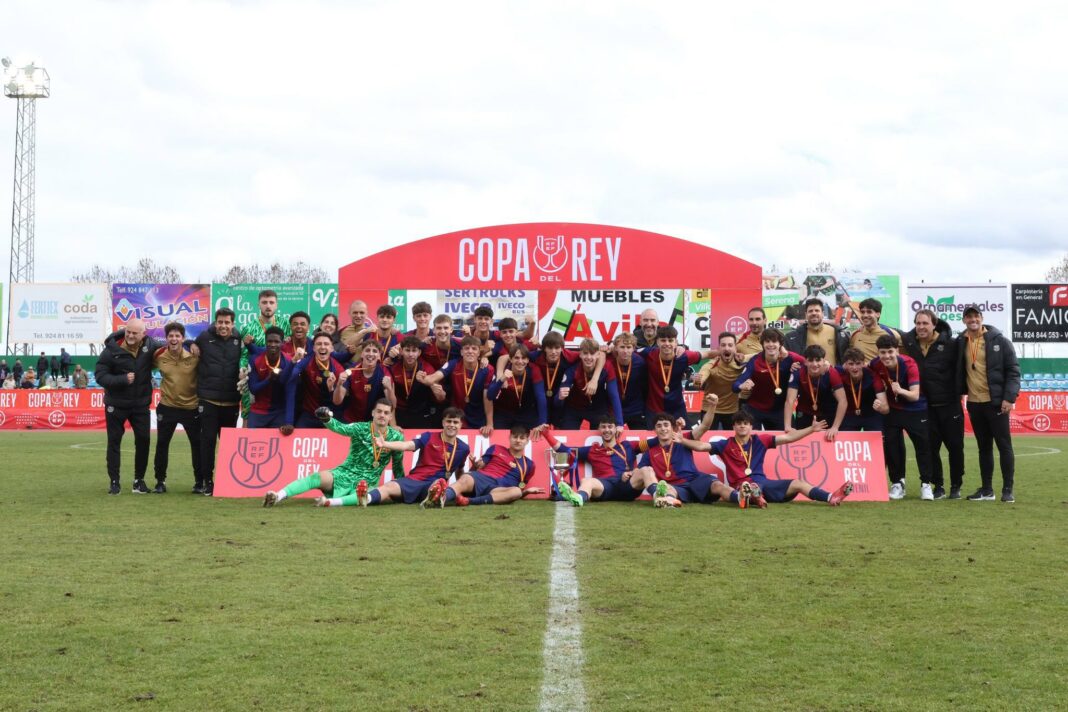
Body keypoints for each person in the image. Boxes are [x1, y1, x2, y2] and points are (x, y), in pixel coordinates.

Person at [679, 411, 854, 507]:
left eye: (745, 423)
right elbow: (701, 447)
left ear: (751, 426)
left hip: (763, 483)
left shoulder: (760, 440)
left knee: (798, 483)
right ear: (733, 427)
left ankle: (831, 497)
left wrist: (811, 429)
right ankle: (754, 497)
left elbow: (788, 438)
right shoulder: (725, 444)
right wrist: (682, 440)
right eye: (739, 423)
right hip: (742, 485)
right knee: (750, 487)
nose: (742, 426)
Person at [263, 400, 405, 508]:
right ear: (373, 413)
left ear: (390, 416)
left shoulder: (397, 437)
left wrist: (402, 488)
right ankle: (278, 496)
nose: (382, 415)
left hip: (368, 481)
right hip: (344, 473)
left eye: (386, 413)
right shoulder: (360, 428)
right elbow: (340, 428)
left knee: (366, 494)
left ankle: (330, 502)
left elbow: (397, 466)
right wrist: (327, 419)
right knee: (317, 477)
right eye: (379, 411)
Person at [95, 318, 164, 495]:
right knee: (114, 442)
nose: (131, 336)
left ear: (143, 334)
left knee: (144, 441)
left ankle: (138, 481)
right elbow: (100, 376)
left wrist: (190, 345)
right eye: (128, 332)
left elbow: (171, 344)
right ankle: (114, 482)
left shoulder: (150, 345)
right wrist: (122, 380)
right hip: (116, 404)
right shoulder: (111, 350)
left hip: (140, 405)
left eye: (135, 333)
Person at [957, 305, 1020, 502]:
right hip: (974, 403)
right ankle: (987, 490)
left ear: (982, 318)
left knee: (1004, 446)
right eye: (969, 317)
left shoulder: (1000, 341)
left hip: (996, 403)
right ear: (964, 320)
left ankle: (1007, 489)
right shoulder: (960, 342)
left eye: (976, 316)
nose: (973, 319)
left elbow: (1013, 371)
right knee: (983, 448)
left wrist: (1009, 398)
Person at [902, 309, 963, 499]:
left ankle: (956, 486)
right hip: (925, 407)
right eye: (918, 323)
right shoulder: (909, 343)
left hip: (949, 404)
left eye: (925, 323)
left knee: (955, 447)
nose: (921, 327)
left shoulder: (952, 344)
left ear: (934, 324)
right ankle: (939, 486)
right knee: (930, 449)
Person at [635, 411, 746, 508]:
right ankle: (667, 501)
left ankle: (740, 497)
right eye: (659, 426)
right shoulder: (650, 452)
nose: (663, 428)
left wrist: (712, 406)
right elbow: (641, 472)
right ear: (654, 430)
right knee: (669, 490)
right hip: (676, 487)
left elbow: (705, 426)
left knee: (718, 485)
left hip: (695, 480)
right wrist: (629, 474)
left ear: (672, 428)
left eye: (666, 425)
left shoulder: (683, 438)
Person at [543, 415, 658, 506]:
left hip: (627, 486)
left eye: (610, 427)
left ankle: (659, 498)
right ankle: (578, 499)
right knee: (587, 481)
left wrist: (668, 433)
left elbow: (653, 442)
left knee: (647, 470)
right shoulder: (593, 450)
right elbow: (564, 450)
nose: (607, 430)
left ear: (616, 429)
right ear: (599, 429)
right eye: (603, 427)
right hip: (605, 487)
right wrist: (546, 433)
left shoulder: (628, 445)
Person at [367, 407, 471, 507]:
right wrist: (385, 444)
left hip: (434, 486)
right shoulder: (429, 436)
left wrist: (461, 490)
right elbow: (407, 445)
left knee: (438, 484)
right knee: (389, 486)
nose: (452, 425)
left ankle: (434, 497)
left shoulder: (463, 449)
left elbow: (460, 470)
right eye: (449, 421)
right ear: (443, 422)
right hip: (414, 480)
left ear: (460, 425)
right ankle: (366, 498)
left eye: (455, 422)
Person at [870, 334, 932, 501]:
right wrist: (880, 404)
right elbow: (863, 370)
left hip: (916, 409)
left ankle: (926, 484)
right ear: (878, 353)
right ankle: (897, 483)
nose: (887, 356)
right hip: (894, 410)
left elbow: (914, 395)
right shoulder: (875, 364)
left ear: (897, 351)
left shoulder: (909, 364)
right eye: (883, 352)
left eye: (890, 351)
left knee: (922, 447)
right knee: (892, 447)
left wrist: (900, 390)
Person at [195, 307, 246, 496]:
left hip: (231, 402)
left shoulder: (239, 339)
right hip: (208, 400)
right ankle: (207, 481)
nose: (223, 326)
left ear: (233, 324)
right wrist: (190, 345)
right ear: (215, 322)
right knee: (207, 443)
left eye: (227, 322)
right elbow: (189, 343)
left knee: (228, 446)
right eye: (220, 322)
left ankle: (226, 481)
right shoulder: (204, 337)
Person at [152, 321, 202, 494]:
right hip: (167, 407)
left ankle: (199, 482)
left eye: (177, 336)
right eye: (170, 336)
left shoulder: (194, 354)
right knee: (162, 444)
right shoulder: (158, 355)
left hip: (191, 407)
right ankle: (160, 482)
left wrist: (192, 344)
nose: (174, 339)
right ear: (166, 338)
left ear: (183, 338)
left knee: (197, 445)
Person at [439, 424, 540, 506]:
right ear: (509, 437)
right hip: (482, 478)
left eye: (522, 438)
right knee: (466, 478)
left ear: (527, 441)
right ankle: (439, 498)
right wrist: (475, 465)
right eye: (515, 437)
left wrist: (526, 492)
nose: (518, 440)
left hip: (499, 490)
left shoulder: (529, 465)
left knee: (516, 491)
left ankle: (468, 501)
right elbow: (479, 466)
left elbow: (520, 490)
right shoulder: (496, 448)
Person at [639, 325, 711, 427]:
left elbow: (709, 354)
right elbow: (628, 352)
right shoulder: (649, 353)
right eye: (663, 340)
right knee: (653, 436)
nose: (667, 344)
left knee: (686, 435)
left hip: (677, 409)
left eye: (670, 340)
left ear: (676, 342)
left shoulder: (684, 356)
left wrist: (730, 353)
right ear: (657, 342)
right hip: (654, 409)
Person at [733, 328, 804, 430]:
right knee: (750, 439)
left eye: (774, 341)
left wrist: (799, 367)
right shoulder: (755, 361)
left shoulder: (790, 358)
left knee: (788, 437)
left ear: (780, 344)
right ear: (762, 344)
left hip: (780, 411)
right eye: (767, 341)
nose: (771, 344)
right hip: (755, 409)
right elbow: (735, 386)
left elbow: (809, 364)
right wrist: (741, 386)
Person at [424, 335, 494, 434]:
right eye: (466, 348)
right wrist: (422, 378)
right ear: (461, 352)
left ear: (479, 353)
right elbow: (433, 378)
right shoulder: (453, 364)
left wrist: (489, 424)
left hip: (478, 418)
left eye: (474, 349)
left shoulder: (488, 369)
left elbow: (488, 398)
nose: (470, 351)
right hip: (456, 417)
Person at [240, 289, 291, 422]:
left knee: (283, 409)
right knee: (247, 411)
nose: (268, 306)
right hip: (256, 376)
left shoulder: (286, 324)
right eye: (264, 302)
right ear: (259, 304)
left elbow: (292, 348)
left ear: (276, 305)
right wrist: (242, 370)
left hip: (281, 374)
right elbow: (244, 355)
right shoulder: (248, 328)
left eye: (271, 302)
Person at [556, 338, 623, 428]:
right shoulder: (572, 370)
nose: (588, 357)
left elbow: (614, 395)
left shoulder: (607, 367)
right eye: (585, 353)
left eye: (592, 354)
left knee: (602, 433)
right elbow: (557, 401)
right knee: (567, 431)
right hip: (575, 408)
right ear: (580, 354)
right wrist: (559, 397)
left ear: (598, 355)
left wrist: (619, 423)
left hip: (598, 408)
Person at [784, 345, 847, 439]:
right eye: (810, 360)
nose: (814, 364)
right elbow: (790, 400)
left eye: (818, 360)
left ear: (824, 361)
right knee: (803, 440)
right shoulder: (798, 372)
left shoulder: (831, 372)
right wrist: (788, 426)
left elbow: (843, 401)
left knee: (828, 441)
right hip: (805, 412)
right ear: (805, 361)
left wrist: (835, 427)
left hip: (827, 413)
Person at [289, 331, 347, 428]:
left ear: (332, 348)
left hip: (330, 414)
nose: (322, 347)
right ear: (314, 348)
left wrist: (333, 388)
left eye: (326, 344)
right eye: (319, 344)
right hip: (310, 413)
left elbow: (338, 402)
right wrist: (295, 360)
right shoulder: (307, 362)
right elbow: (292, 374)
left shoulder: (338, 369)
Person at [487, 344, 548, 433]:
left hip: (526, 413)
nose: (520, 361)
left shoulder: (533, 369)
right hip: (504, 413)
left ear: (528, 360)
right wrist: (501, 380)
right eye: (516, 358)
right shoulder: (504, 370)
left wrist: (542, 423)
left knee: (537, 433)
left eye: (523, 358)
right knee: (498, 435)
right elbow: (490, 396)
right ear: (510, 359)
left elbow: (541, 396)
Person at [692, 331, 746, 430]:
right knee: (706, 438)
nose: (726, 348)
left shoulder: (742, 363)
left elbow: (759, 355)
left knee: (733, 439)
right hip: (709, 409)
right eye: (723, 345)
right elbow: (699, 381)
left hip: (732, 411)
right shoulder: (710, 365)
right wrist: (697, 381)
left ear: (735, 348)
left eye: (730, 345)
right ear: (719, 348)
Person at [388, 336, 445, 428]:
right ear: (401, 351)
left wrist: (435, 388)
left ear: (419, 353)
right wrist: (393, 424)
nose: (410, 354)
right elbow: (389, 398)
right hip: (399, 412)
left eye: (414, 351)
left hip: (421, 413)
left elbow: (440, 398)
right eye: (407, 350)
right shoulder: (393, 368)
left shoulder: (427, 368)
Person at [247, 326, 297, 432]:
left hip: (279, 412)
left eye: (276, 341)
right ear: (265, 342)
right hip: (258, 410)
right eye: (270, 341)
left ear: (282, 343)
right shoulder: (255, 359)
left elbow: (290, 393)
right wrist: (268, 380)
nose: (273, 344)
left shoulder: (289, 362)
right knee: (251, 440)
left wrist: (289, 422)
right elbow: (253, 389)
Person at [334, 340, 393, 423]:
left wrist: (389, 389)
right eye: (367, 350)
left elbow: (393, 405)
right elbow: (337, 401)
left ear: (379, 356)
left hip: (375, 421)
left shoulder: (385, 372)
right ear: (362, 354)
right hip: (351, 420)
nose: (371, 354)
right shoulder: (351, 371)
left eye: (375, 351)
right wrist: (339, 384)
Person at [784, 298, 850, 365]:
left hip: (833, 371)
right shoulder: (795, 337)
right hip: (808, 372)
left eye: (817, 310)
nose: (814, 313)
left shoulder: (837, 333)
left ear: (823, 313)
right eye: (810, 311)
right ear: (806, 314)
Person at [836, 347, 886, 432]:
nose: (854, 367)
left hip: (871, 414)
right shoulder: (839, 373)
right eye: (851, 364)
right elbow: (826, 367)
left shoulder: (872, 375)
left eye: (858, 363)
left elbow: (884, 406)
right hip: (849, 415)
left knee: (877, 438)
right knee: (845, 438)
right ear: (845, 365)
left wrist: (880, 405)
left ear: (863, 363)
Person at [609, 332, 648, 430]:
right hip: (614, 409)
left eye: (628, 347)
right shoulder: (609, 361)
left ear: (634, 348)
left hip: (635, 409)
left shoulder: (640, 363)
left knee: (640, 437)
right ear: (615, 348)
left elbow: (645, 387)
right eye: (622, 347)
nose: (625, 351)